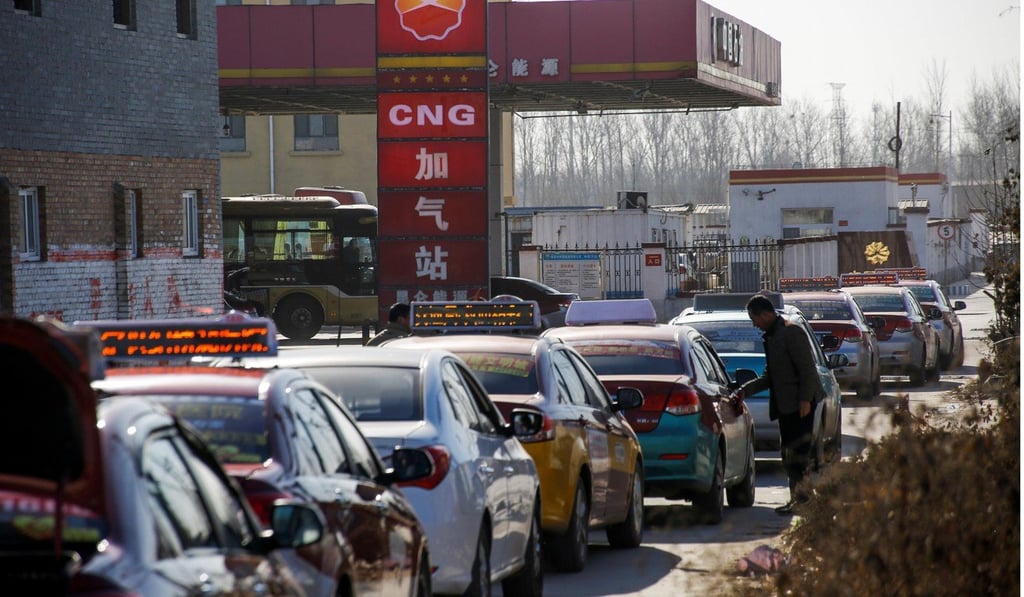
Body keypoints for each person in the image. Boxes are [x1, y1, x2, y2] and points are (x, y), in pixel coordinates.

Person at [735, 295, 825, 514]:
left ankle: (804, 501)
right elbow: (770, 376)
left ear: (765, 314)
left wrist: (805, 399)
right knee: (788, 455)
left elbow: (807, 369)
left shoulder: (790, 331)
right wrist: (744, 391)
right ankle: (799, 499)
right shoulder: (774, 335)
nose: (754, 324)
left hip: (800, 404)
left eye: (754, 318)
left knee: (798, 455)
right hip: (786, 405)